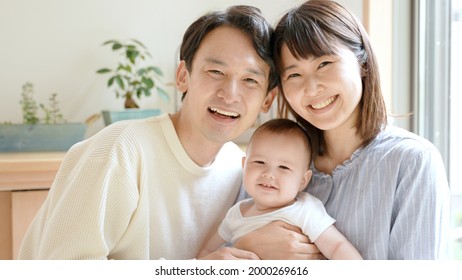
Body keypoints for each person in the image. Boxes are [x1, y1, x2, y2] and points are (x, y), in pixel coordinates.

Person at [17, 5, 278, 260]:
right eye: (216, 71)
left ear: (267, 100)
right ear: (183, 76)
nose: (230, 94)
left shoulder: (241, 170)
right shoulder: (118, 151)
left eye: (250, 80)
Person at [235, 0, 451, 259]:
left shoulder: (412, 162)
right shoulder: (272, 158)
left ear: (363, 62)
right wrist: (246, 247)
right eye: (294, 75)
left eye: (324, 64)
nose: (312, 88)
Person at [197, 118, 362, 260]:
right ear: (244, 165)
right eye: (259, 162)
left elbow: (337, 247)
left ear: (302, 180)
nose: (269, 174)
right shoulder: (236, 213)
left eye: (283, 167)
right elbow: (207, 253)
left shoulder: (304, 209)